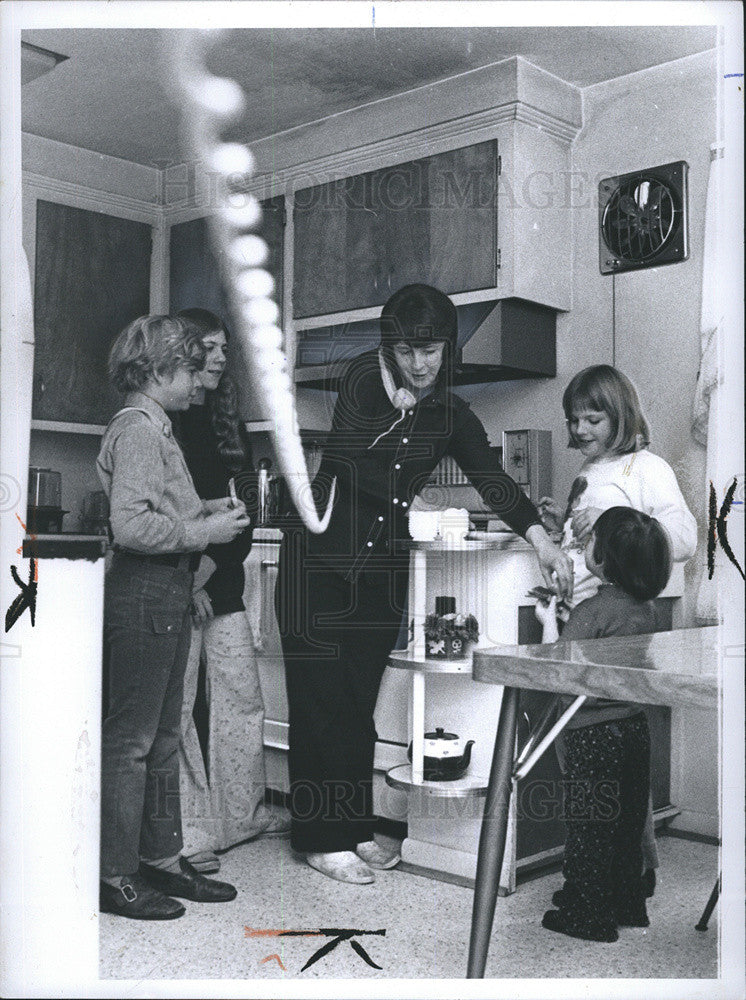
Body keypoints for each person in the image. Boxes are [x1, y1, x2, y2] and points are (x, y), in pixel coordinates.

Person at [276, 283, 573, 885]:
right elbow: (359, 455)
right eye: (407, 350)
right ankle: (319, 838)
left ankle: (353, 828)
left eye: (430, 351)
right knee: (320, 703)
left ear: (448, 350)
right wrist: (412, 464)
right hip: (319, 564)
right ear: (389, 347)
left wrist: (541, 539)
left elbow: (490, 477)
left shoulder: (451, 416)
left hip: (379, 574)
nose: (418, 363)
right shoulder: (364, 378)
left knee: (357, 706)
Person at [97, 314, 250, 920]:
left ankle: (160, 861)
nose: (200, 381)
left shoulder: (157, 429)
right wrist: (205, 529)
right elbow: (131, 526)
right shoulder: (137, 430)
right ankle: (113, 876)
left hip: (167, 591)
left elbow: (157, 508)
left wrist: (202, 508)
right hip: (143, 594)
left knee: (160, 740)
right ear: (159, 369)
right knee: (131, 743)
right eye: (191, 368)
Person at [536, 364, 698, 892]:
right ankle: (621, 868)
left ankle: (636, 868)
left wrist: (615, 513)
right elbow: (590, 548)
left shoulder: (645, 469)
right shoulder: (587, 473)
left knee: (607, 759)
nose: (581, 429)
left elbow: (683, 538)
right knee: (586, 757)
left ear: (620, 415)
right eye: (574, 419)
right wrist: (562, 527)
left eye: (593, 418)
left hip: (617, 628)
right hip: (583, 619)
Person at [173, 307, 290, 875]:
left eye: (224, 349)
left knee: (241, 700)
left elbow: (235, 513)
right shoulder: (166, 421)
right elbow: (171, 513)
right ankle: (189, 833)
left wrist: (213, 573)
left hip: (222, 582)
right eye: (209, 349)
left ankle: (242, 816)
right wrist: (190, 575)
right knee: (184, 711)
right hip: (183, 584)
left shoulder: (225, 421)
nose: (221, 358)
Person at [535, 506, 673, 942]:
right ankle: (627, 902)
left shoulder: (593, 611)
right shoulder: (647, 609)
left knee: (590, 827)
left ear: (604, 559)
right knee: (628, 822)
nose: (585, 544)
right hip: (634, 728)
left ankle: (588, 913)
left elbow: (564, 669)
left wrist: (547, 623)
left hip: (593, 735)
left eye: (591, 539)